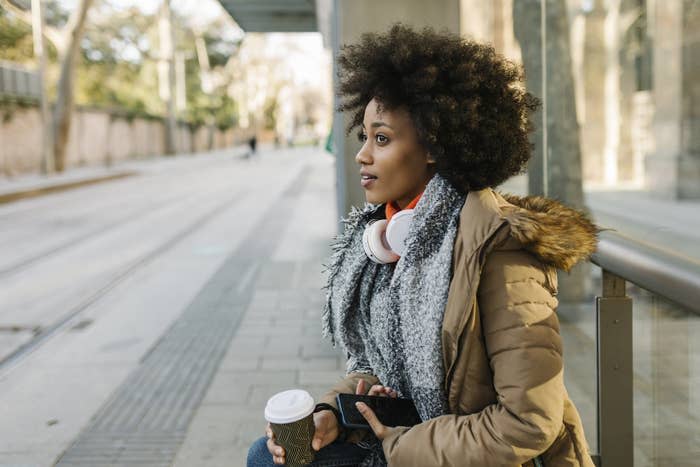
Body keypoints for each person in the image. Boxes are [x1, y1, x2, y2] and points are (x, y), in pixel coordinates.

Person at [248, 24, 598, 467]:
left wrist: (399, 446)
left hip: (478, 456)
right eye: (364, 137)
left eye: (382, 138)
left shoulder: (499, 251)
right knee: (270, 454)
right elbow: (382, 368)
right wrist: (332, 414)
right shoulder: (392, 239)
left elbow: (529, 422)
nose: (362, 155)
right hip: (420, 439)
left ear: (433, 145)